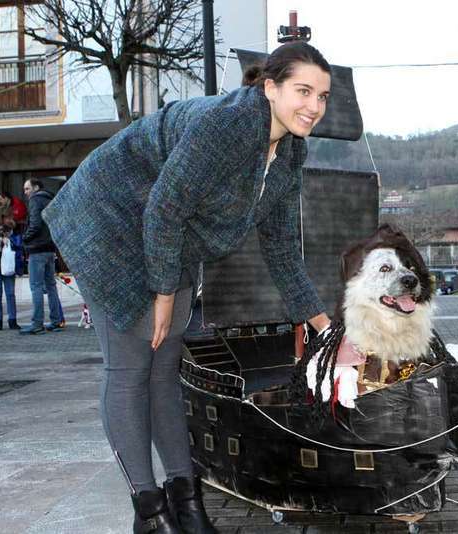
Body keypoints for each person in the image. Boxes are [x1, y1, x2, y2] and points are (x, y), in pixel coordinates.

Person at [42, 41, 333, 534]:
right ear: (270, 88)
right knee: (133, 365)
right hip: (108, 221)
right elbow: (165, 208)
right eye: (303, 91)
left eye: (323, 96)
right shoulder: (227, 126)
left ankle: (187, 502)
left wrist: (326, 327)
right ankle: (150, 512)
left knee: (165, 370)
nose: (314, 106)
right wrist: (162, 295)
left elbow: (282, 249)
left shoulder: (288, 153)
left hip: (162, 236)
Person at [20, 179, 64, 335]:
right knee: (51, 286)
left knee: (36, 286)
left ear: (36, 188)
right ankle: (56, 321)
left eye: (27, 188)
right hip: (50, 249)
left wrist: (25, 238)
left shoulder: (35, 200)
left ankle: (37, 324)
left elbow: (35, 224)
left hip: (37, 249)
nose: (25, 192)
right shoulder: (50, 200)